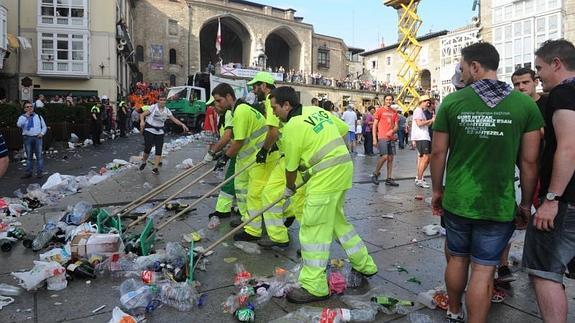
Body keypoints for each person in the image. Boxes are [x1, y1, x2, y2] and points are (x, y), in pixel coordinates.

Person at [431, 42, 542, 323]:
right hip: (498, 202)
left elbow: (438, 152)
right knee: (483, 270)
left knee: (457, 258)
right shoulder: (525, 104)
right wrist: (527, 204)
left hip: (458, 199)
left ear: (476, 67)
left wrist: (436, 190)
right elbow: (529, 162)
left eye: (463, 66)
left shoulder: (453, 102)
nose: (462, 71)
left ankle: (454, 310)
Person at [270, 86, 378, 303]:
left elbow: (290, 169)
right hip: (342, 168)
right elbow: (339, 128)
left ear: (286, 105)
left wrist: (290, 188)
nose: (273, 113)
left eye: (275, 108)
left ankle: (314, 286)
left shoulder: (291, 127)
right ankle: (364, 264)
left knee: (313, 228)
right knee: (338, 222)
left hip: (326, 176)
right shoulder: (316, 111)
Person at [523, 39, 575, 323]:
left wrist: (551, 199)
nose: (538, 74)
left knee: (545, 272)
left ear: (557, 63)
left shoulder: (564, 94)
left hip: (566, 202)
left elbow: (569, 147)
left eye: (540, 68)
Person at [211, 83, 273, 242]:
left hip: (256, 159)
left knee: (253, 194)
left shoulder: (241, 111)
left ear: (229, 97)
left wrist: (224, 158)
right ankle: (247, 219)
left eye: (219, 100)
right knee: (241, 190)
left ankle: (254, 229)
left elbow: (239, 141)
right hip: (246, 159)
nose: (217, 104)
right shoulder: (239, 110)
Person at [247, 71, 300, 248]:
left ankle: (278, 236)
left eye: (255, 86)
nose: (254, 90)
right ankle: (289, 213)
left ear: (264, 86)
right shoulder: (272, 101)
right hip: (288, 154)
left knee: (270, 194)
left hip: (291, 156)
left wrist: (263, 150)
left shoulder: (272, 101)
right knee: (282, 193)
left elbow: (273, 131)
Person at [139, 94, 189, 175]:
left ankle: (155, 168)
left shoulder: (167, 110)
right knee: (147, 148)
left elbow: (174, 119)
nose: (162, 101)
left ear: (166, 101)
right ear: (158, 101)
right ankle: (144, 161)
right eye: (161, 100)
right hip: (150, 129)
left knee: (159, 149)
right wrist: (142, 121)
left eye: (164, 100)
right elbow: (142, 115)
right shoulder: (153, 107)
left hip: (160, 131)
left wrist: (182, 124)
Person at [204, 95, 236, 219]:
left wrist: (212, 153)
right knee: (235, 182)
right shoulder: (222, 116)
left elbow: (228, 137)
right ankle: (226, 209)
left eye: (215, 105)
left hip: (239, 152)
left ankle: (224, 210)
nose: (213, 109)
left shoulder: (228, 114)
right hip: (235, 150)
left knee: (231, 181)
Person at [371, 94, 399, 186]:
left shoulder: (394, 112)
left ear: (392, 101)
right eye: (387, 99)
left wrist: (392, 131)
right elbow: (374, 125)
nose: (389, 101)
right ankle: (375, 173)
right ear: (384, 100)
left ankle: (389, 178)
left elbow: (396, 126)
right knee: (385, 156)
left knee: (391, 158)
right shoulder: (379, 111)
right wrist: (374, 139)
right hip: (382, 136)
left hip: (391, 138)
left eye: (390, 99)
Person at [16, 101, 47, 179]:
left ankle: (39, 173)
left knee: (39, 156)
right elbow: (19, 125)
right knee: (29, 157)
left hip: (38, 138)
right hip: (27, 138)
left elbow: (44, 127)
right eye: (27, 107)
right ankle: (28, 173)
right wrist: (27, 116)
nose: (29, 108)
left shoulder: (39, 116)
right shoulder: (22, 117)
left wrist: (42, 133)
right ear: (24, 109)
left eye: (31, 106)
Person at [412, 95, 434, 188]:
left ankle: (419, 178)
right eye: (427, 102)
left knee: (425, 158)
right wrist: (431, 120)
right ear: (422, 102)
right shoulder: (418, 110)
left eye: (429, 103)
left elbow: (424, 124)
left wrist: (431, 121)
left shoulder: (421, 111)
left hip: (424, 136)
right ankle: (419, 179)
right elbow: (419, 123)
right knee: (424, 158)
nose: (428, 104)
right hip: (421, 137)